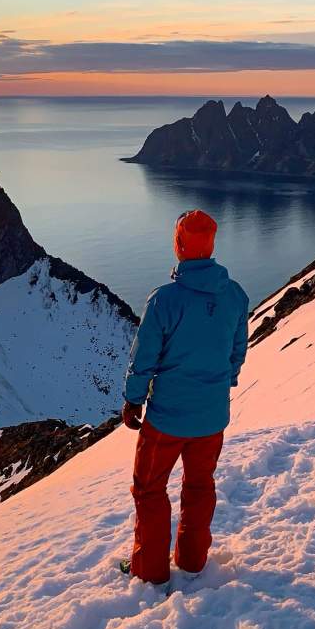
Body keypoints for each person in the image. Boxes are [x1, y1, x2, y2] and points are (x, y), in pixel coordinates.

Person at [118, 209, 250, 584]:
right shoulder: (235, 295)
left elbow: (143, 359)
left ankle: (150, 571)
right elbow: (237, 351)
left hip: (167, 419)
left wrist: (133, 400)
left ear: (178, 245)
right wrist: (220, 384)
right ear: (210, 245)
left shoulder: (165, 300)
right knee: (199, 485)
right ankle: (192, 563)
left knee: (149, 490)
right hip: (212, 418)